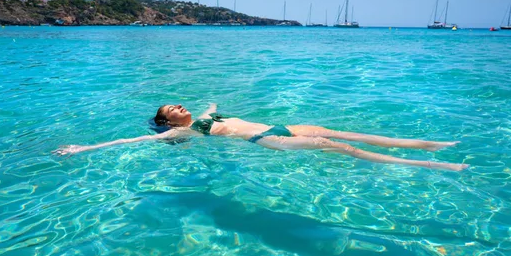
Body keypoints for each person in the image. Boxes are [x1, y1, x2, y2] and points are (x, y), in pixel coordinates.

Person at [55, 103, 468, 171]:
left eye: (178, 104)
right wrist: (85, 147)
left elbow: (209, 104)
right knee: (335, 147)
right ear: (167, 122)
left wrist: (204, 106)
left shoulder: (202, 117)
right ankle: (425, 163)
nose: (179, 107)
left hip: (281, 126)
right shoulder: (175, 136)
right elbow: (133, 142)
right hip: (264, 141)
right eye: (171, 109)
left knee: (335, 130)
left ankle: (426, 145)